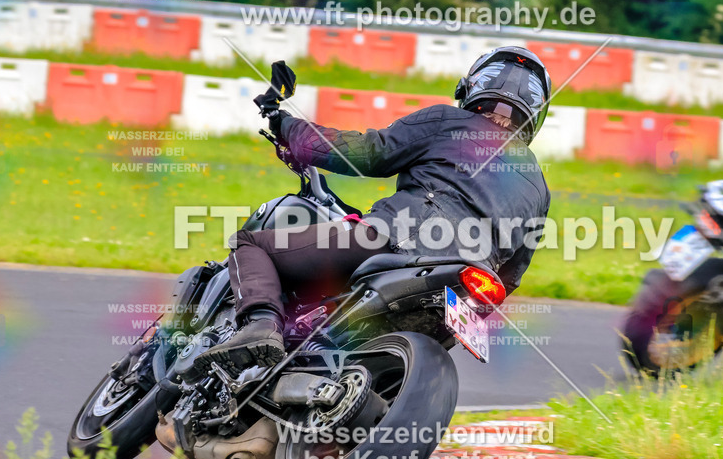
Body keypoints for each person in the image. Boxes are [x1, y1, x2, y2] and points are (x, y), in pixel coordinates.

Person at [198, 47, 553, 374]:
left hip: (399, 239)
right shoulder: (539, 187)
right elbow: (512, 275)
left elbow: (363, 153)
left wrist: (284, 123)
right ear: (536, 113)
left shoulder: (447, 122)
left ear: (472, 87)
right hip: (466, 288)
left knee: (251, 243)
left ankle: (261, 328)